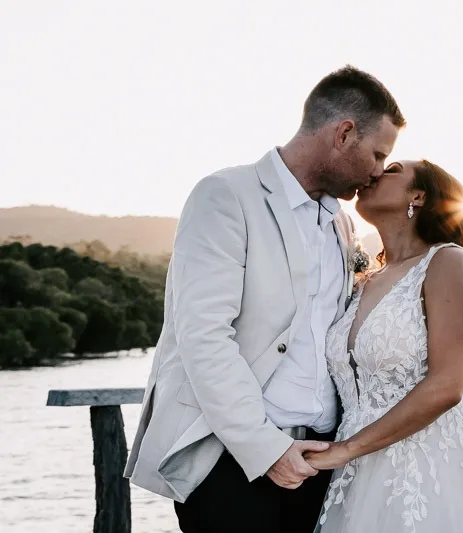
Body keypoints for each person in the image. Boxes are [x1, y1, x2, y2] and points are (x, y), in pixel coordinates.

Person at [122, 65, 405, 533]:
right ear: (344, 133)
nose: (378, 171)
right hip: (230, 460)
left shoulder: (342, 223)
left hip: (320, 460)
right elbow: (204, 336)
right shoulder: (226, 196)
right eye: (377, 154)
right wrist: (266, 449)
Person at [305, 160, 463, 532]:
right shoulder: (364, 282)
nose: (373, 172)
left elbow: (446, 386)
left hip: (431, 464)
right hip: (356, 470)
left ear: (418, 196)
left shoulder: (448, 262)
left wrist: (347, 449)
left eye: (391, 169)